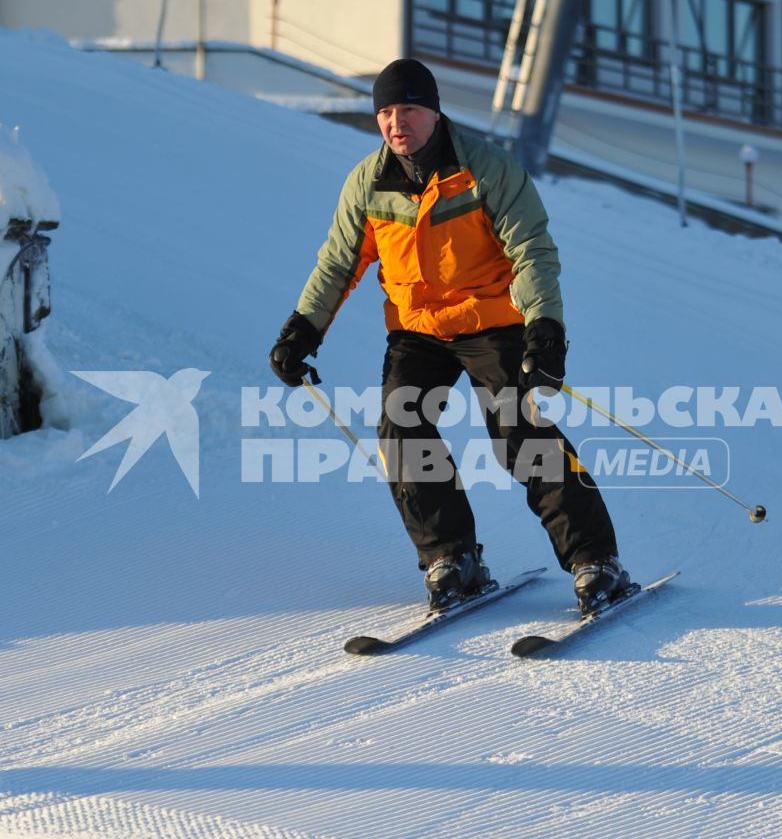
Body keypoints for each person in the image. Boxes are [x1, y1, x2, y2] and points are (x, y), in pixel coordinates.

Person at [270, 58, 630, 612]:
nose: (396, 123)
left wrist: (546, 329)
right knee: (401, 427)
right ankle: (451, 557)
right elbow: (338, 263)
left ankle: (594, 560)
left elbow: (531, 248)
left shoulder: (485, 168)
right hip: (418, 330)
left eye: (407, 109)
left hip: (493, 320)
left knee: (520, 434)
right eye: (385, 112)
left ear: (434, 112)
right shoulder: (367, 183)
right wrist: (302, 330)